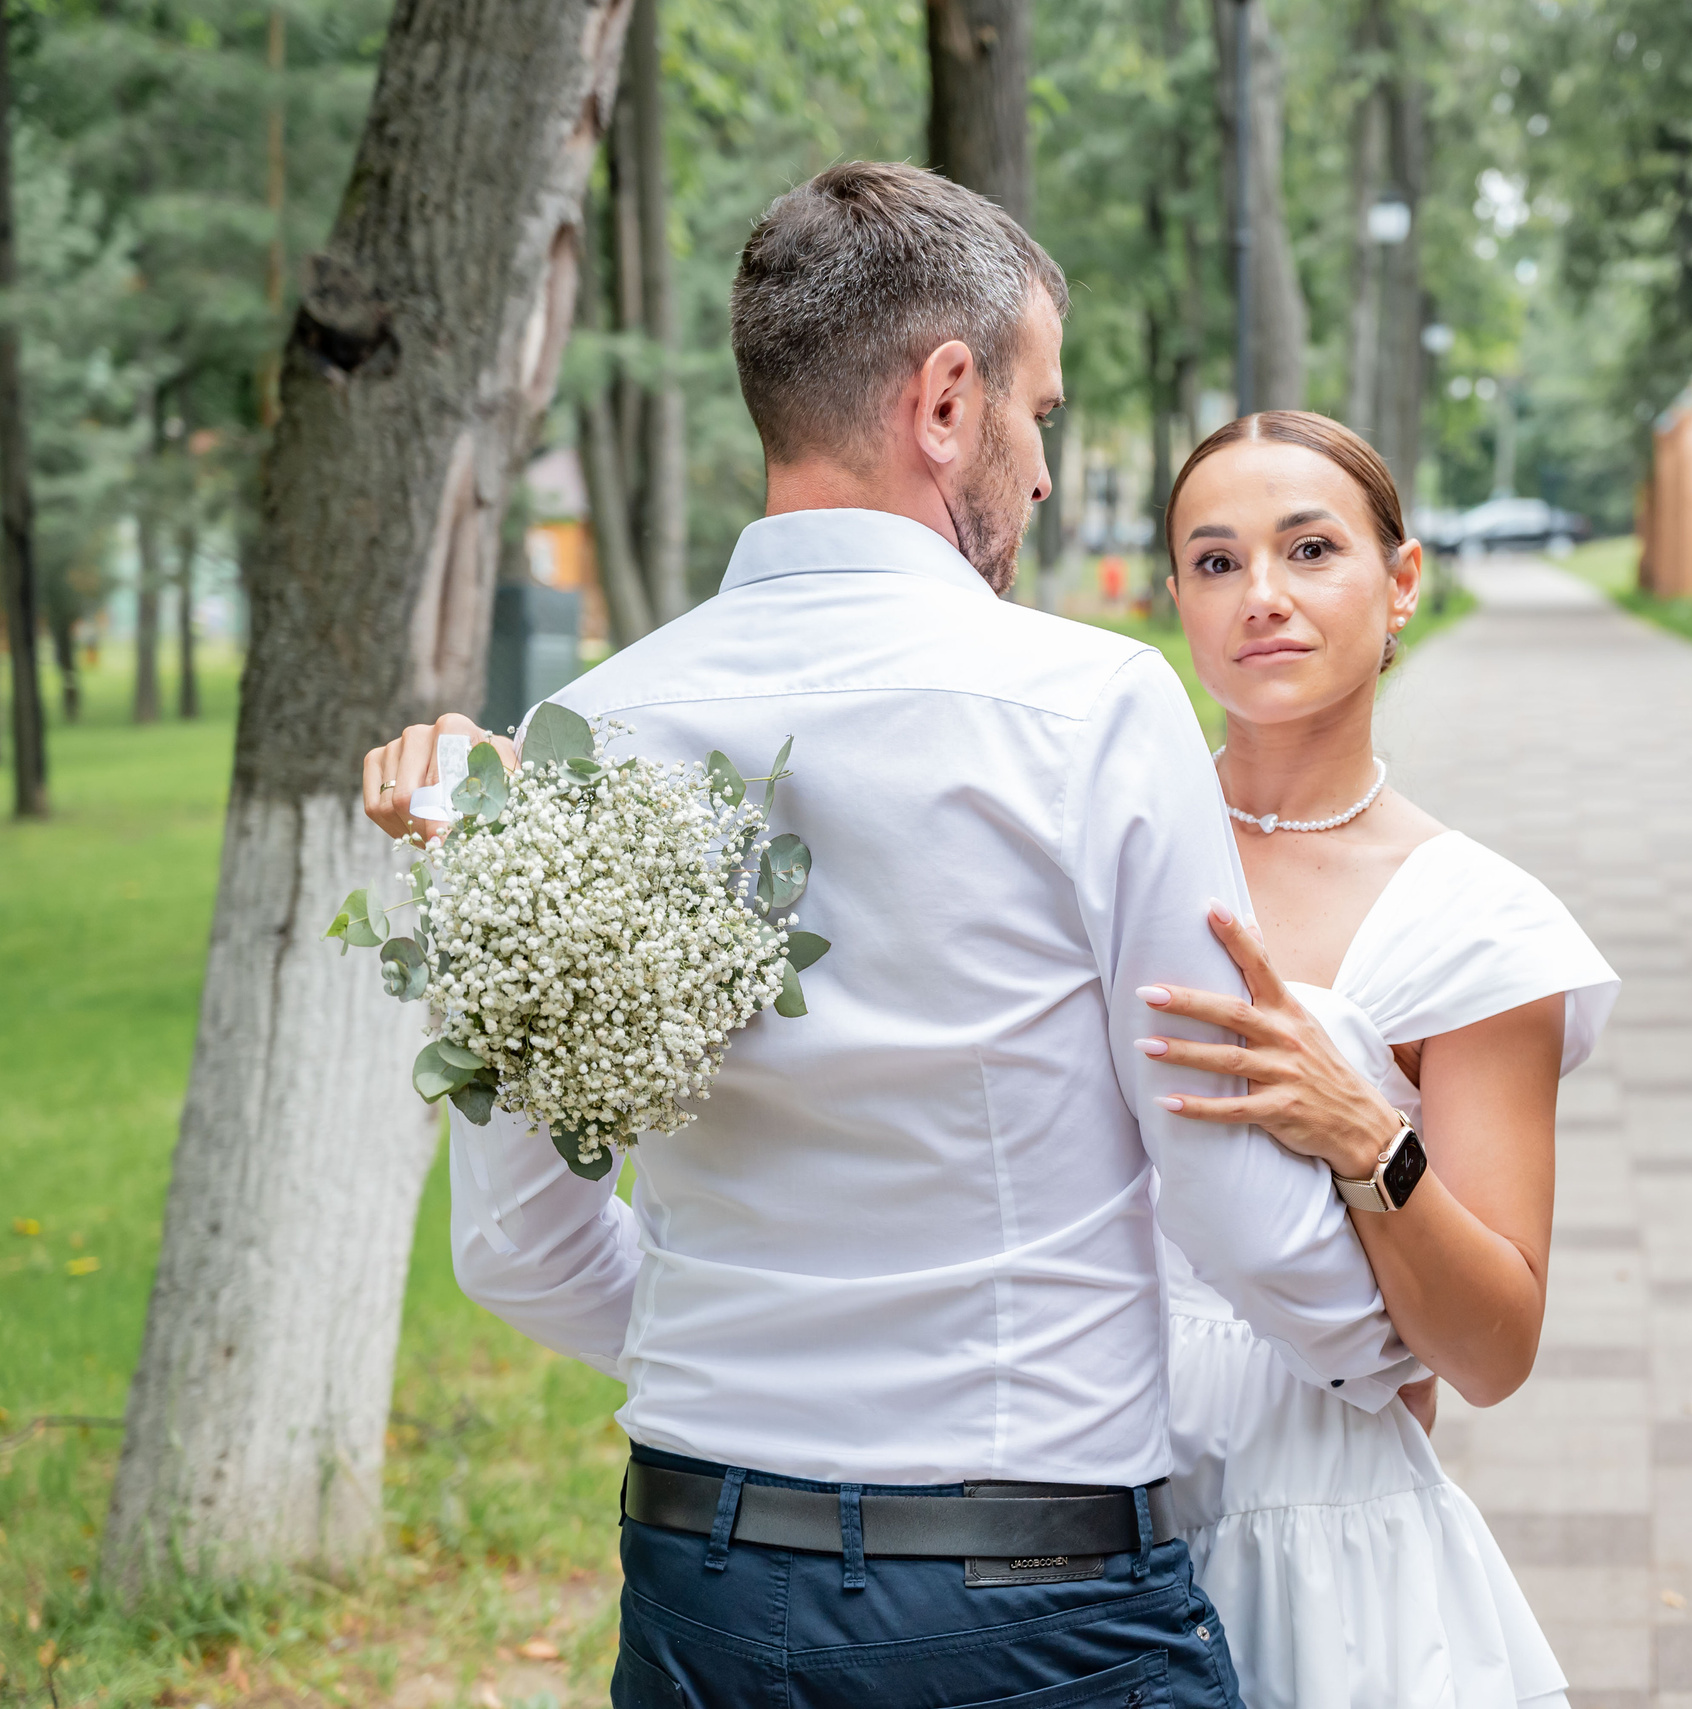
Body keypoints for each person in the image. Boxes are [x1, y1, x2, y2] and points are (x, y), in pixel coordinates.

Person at [358, 164, 1417, 1709]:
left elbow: (515, 1241)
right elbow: (1224, 1180)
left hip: (704, 1584)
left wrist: (750, 1345)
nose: (1044, 470)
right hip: (1029, 1604)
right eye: (1037, 411)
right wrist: (1387, 1347)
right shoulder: (1092, 711)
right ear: (943, 401)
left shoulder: (585, 733)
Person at [1140, 411, 1618, 1709]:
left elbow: (1492, 1349)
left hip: (1328, 1556)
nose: (1266, 597)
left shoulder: (1472, 920)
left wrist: (1367, 1138)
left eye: (1311, 549)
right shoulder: (1108, 854)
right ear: (1173, 592)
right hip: (1075, 1534)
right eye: (1219, 560)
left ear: (1401, 582)